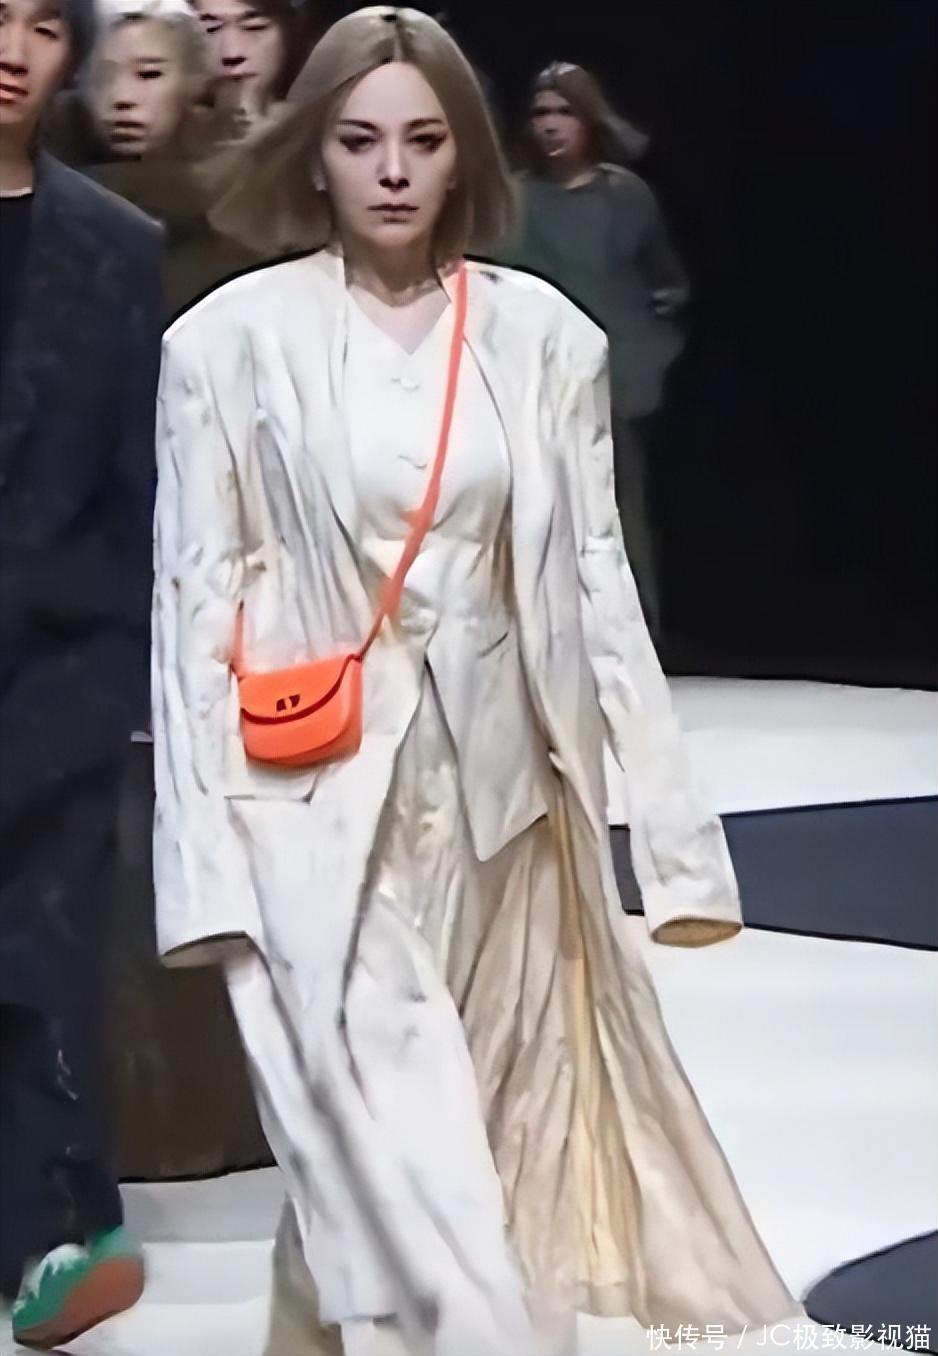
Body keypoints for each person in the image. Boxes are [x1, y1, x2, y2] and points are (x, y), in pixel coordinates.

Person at [153, 8, 800, 1355]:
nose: (392, 170)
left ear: (464, 156)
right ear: (312, 152)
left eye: (423, 139)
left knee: (459, 1167)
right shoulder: (225, 344)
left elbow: (592, 588)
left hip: (505, 818)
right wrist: (200, 874)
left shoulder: (542, 339)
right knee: (400, 1172)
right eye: (358, 140)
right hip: (314, 813)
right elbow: (192, 603)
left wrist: (673, 846)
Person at [0, 0, 163, 1344]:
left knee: (39, 948)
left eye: (43, 22)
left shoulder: (116, 245)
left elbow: (132, 482)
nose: (12, 47)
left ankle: (56, 1235)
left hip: (51, 665)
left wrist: (118, 666)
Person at [503, 61, 688, 640]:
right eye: (542, 112)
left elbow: (666, 280)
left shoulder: (624, 196)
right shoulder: (515, 199)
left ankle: (636, 636)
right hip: (534, 379)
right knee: (536, 511)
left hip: (614, 378)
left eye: (565, 112)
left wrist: (649, 338)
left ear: (589, 119)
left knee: (618, 508)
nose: (551, 125)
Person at [82, 0, 264, 317]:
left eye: (149, 74)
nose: (121, 97)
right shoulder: (44, 189)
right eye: (103, 77)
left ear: (196, 81)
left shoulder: (245, 200)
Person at [192, 0, 316, 139]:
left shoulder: (320, 130)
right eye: (210, 28)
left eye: (255, 26)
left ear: (295, 30)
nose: (232, 54)